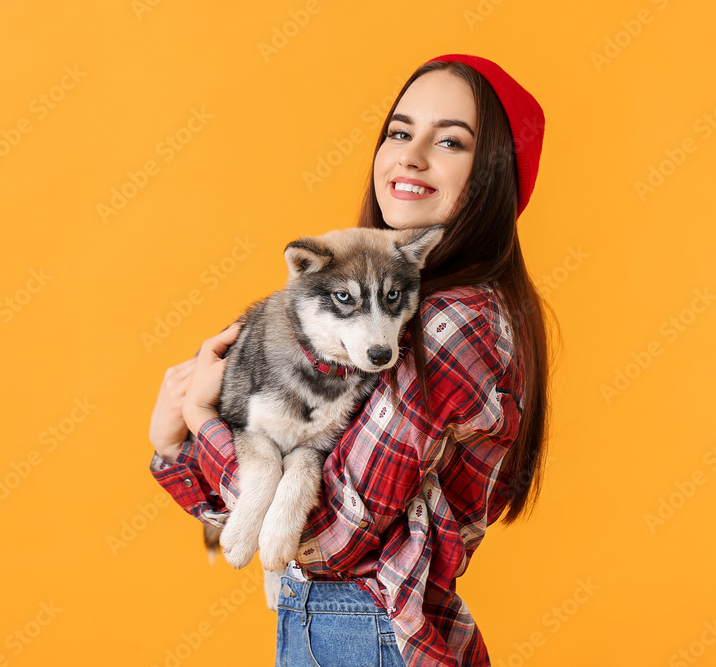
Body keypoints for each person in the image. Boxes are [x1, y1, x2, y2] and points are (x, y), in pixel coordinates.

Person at [148, 53, 555, 667]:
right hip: (349, 631)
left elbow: (323, 540)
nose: (411, 156)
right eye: (399, 131)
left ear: (495, 175)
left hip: (374, 634)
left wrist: (199, 422)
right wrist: (178, 449)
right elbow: (267, 526)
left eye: (449, 141)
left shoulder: (453, 326)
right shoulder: (399, 318)